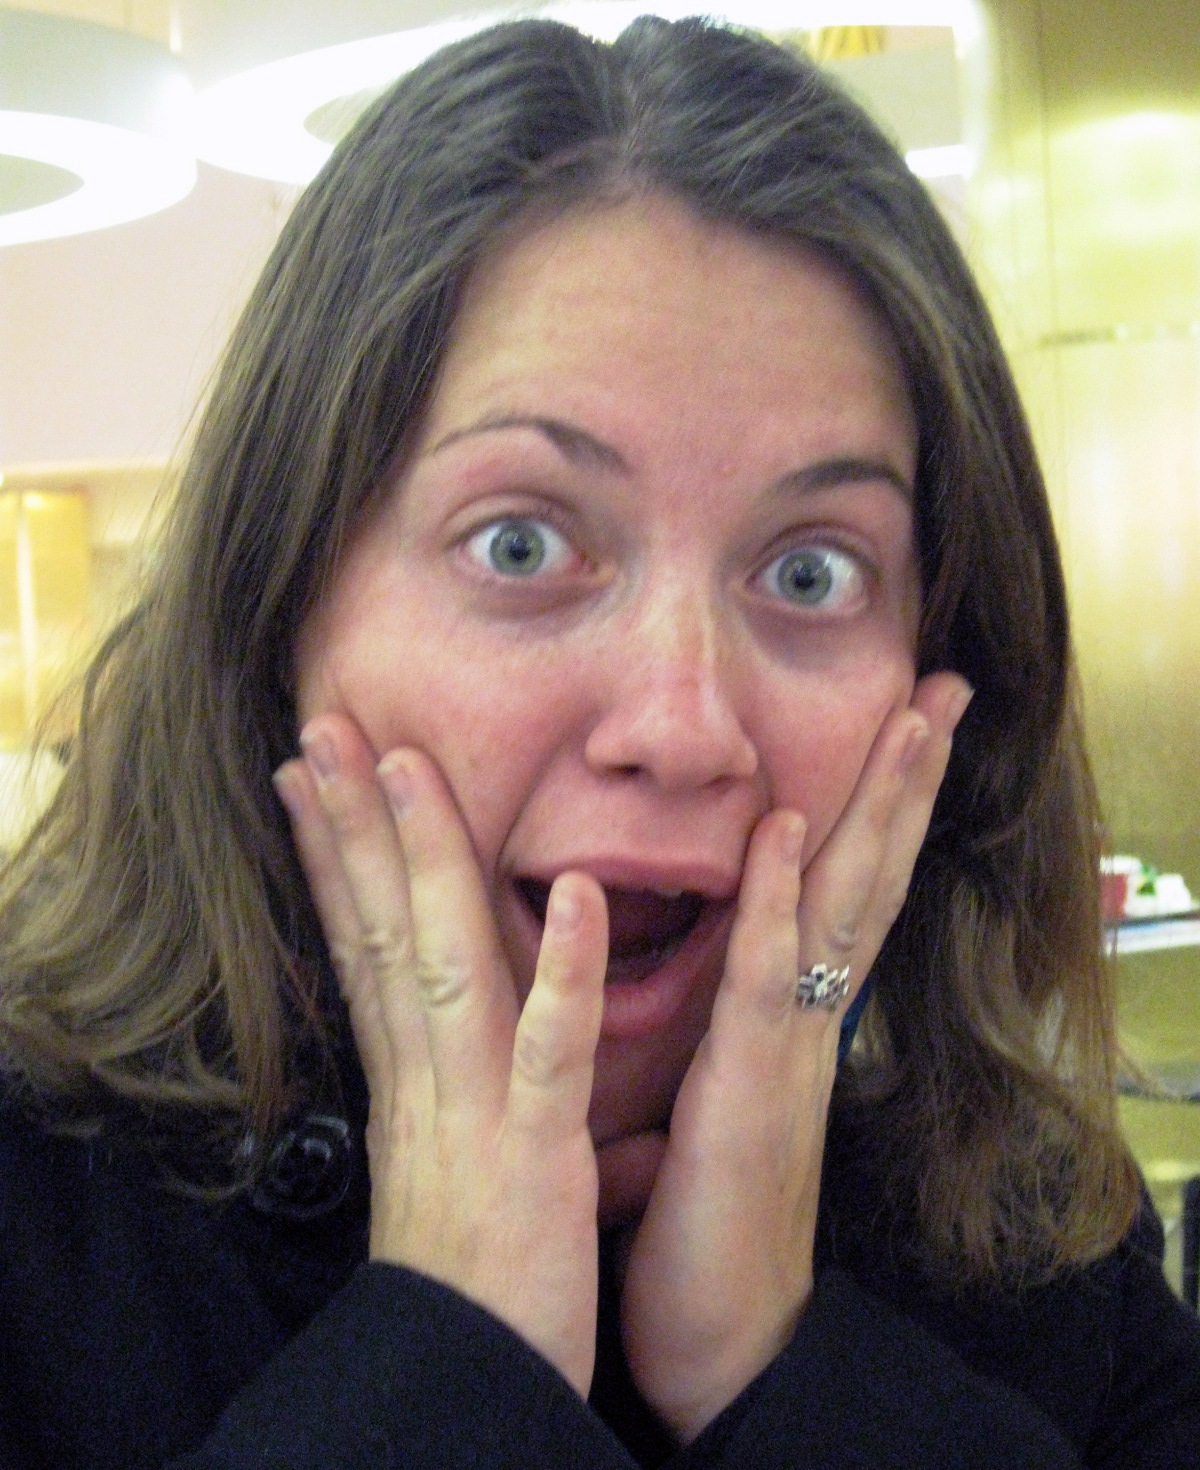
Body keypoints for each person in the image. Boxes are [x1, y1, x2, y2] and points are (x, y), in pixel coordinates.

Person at [0, 16, 1197, 1470]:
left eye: (812, 570)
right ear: (277, 607)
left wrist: (778, 1367)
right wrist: (446, 1366)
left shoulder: (1043, 1238)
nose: (683, 727)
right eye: (521, 543)